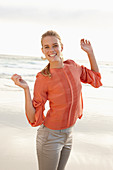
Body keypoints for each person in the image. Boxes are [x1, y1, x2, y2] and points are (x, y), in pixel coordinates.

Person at [11, 30, 102, 170]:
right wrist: (26, 89)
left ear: (62, 47)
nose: (51, 50)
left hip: (69, 134)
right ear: (42, 50)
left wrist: (90, 52)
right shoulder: (43, 78)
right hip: (50, 137)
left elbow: (95, 79)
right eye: (46, 47)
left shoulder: (73, 66)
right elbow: (34, 118)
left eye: (55, 45)